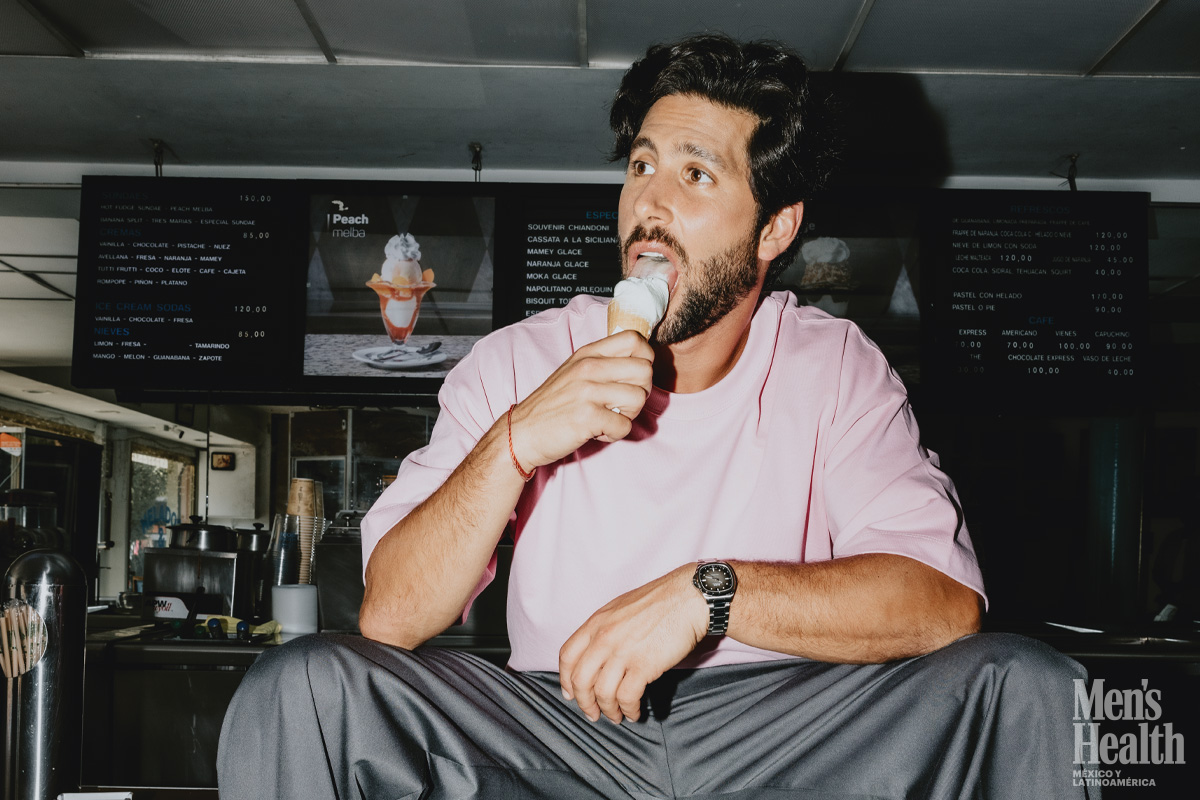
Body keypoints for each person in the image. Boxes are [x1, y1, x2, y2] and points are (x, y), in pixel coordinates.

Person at [219, 34, 1092, 799]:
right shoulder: (519, 359)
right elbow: (392, 618)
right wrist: (517, 441)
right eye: (641, 166)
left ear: (775, 229)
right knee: (301, 685)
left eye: (695, 174)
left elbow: (941, 604)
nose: (649, 206)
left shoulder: (837, 368)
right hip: (553, 729)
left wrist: (711, 595)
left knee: (1027, 685)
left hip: (783, 725)